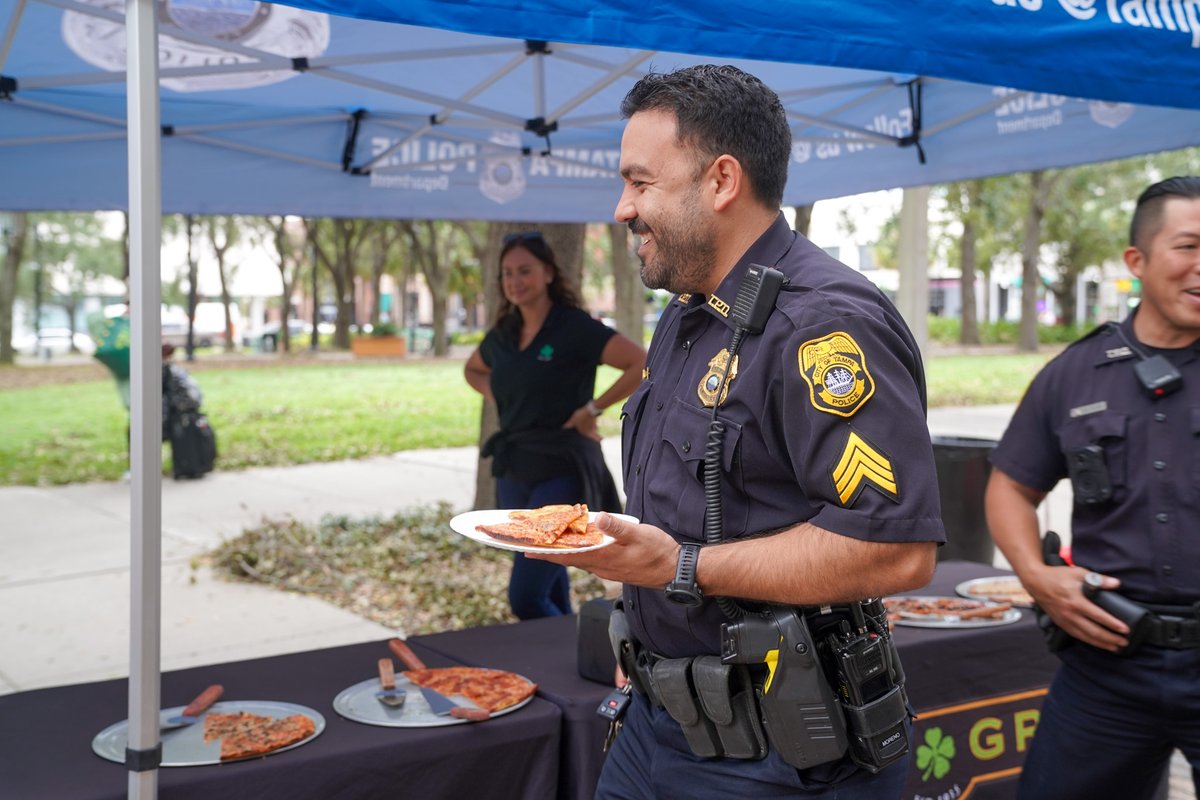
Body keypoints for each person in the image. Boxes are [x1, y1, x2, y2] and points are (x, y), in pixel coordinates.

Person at [531, 65, 945, 799]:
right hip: (657, 722)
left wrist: (680, 569)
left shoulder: (824, 324)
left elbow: (893, 549)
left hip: (779, 757)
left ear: (721, 180)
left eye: (641, 182)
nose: (622, 209)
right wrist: (647, 615)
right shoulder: (688, 315)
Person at [984, 176, 1200, 800]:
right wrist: (1035, 575)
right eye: (1187, 247)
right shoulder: (1074, 374)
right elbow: (1010, 486)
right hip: (1109, 661)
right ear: (1137, 261)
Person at [464, 231, 645, 620]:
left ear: (548, 272)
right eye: (507, 273)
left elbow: (641, 364)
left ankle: (573, 649)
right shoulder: (504, 333)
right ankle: (567, 654)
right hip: (514, 469)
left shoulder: (574, 328)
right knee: (550, 580)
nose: (515, 281)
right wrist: (503, 395)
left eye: (525, 271)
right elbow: (473, 370)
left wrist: (593, 410)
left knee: (526, 595)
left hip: (563, 468)